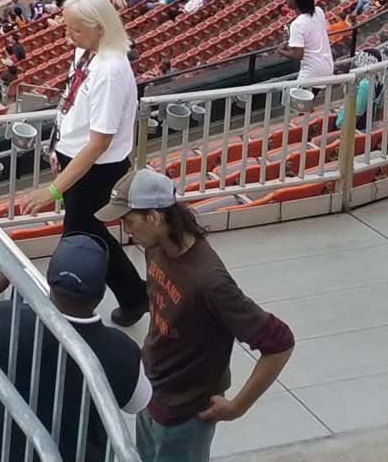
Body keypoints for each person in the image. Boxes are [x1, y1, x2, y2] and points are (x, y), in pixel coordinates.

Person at [112, 169, 295, 460]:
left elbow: (280, 343)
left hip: (185, 416)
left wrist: (237, 407)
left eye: (128, 220)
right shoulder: (155, 247)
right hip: (150, 394)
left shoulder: (210, 281)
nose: (125, 230)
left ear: (155, 218)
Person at [0, 235, 149, 462]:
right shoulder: (123, 351)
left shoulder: (2, 320)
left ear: (50, 281)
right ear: (102, 292)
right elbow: (139, 402)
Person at [38, 0, 149, 324]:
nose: (68, 36)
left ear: (100, 27)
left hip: (96, 171)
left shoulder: (111, 70)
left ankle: (74, 303)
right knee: (91, 233)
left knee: (80, 236)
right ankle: (134, 295)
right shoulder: (86, 53)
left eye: (75, 30)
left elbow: (99, 142)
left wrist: (54, 188)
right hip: (78, 163)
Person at [279, 0, 335, 83]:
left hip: (311, 73)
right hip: (327, 67)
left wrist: (280, 51)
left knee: (291, 98)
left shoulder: (297, 24)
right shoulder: (319, 11)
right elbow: (310, 41)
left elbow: (297, 55)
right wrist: (290, 46)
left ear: (297, 1)